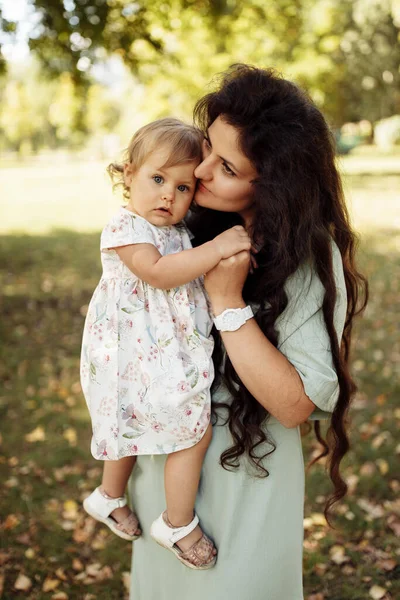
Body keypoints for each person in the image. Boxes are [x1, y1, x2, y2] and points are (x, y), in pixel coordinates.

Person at [129, 65, 368, 599]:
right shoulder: (178, 226)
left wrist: (226, 301)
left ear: (274, 184)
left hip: (249, 465)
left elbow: (293, 406)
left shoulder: (310, 260)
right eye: (207, 147)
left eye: (228, 167)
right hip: (166, 461)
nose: (203, 169)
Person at [80, 118, 252, 569]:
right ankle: (177, 523)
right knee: (193, 432)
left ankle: (108, 496)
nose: (168, 196)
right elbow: (157, 272)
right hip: (131, 352)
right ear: (128, 173)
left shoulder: (176, 232)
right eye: (158, 179)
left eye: (182, 188)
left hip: (154, 349)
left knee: (131, 426)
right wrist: (216, 249)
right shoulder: (126, 229)